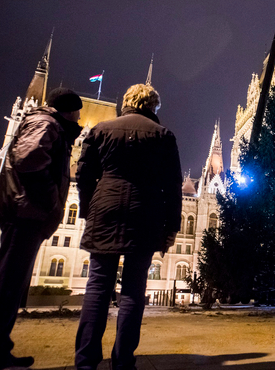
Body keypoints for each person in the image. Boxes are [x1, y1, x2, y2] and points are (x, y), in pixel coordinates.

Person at [0, 88, 83, 370]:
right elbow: (28, 160)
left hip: (26, 211)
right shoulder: (46, 123)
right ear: (68, 110)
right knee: (7, 282)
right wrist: (48, 199)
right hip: (25, 212)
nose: (79, 118)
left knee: (12, 284)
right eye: (78, 112)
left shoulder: (47, 124)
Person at [74, 84, 182, 370]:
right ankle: (123, 362)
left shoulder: (100, 130)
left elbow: (84, 175)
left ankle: (85, 361)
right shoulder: (163, 135)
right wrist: (171, 226)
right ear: (153, 107)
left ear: (126, 102)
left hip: (105, 209)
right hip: (145, 214)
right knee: (134, 290)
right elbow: (172, 187)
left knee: (97, 286)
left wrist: (88, 210)